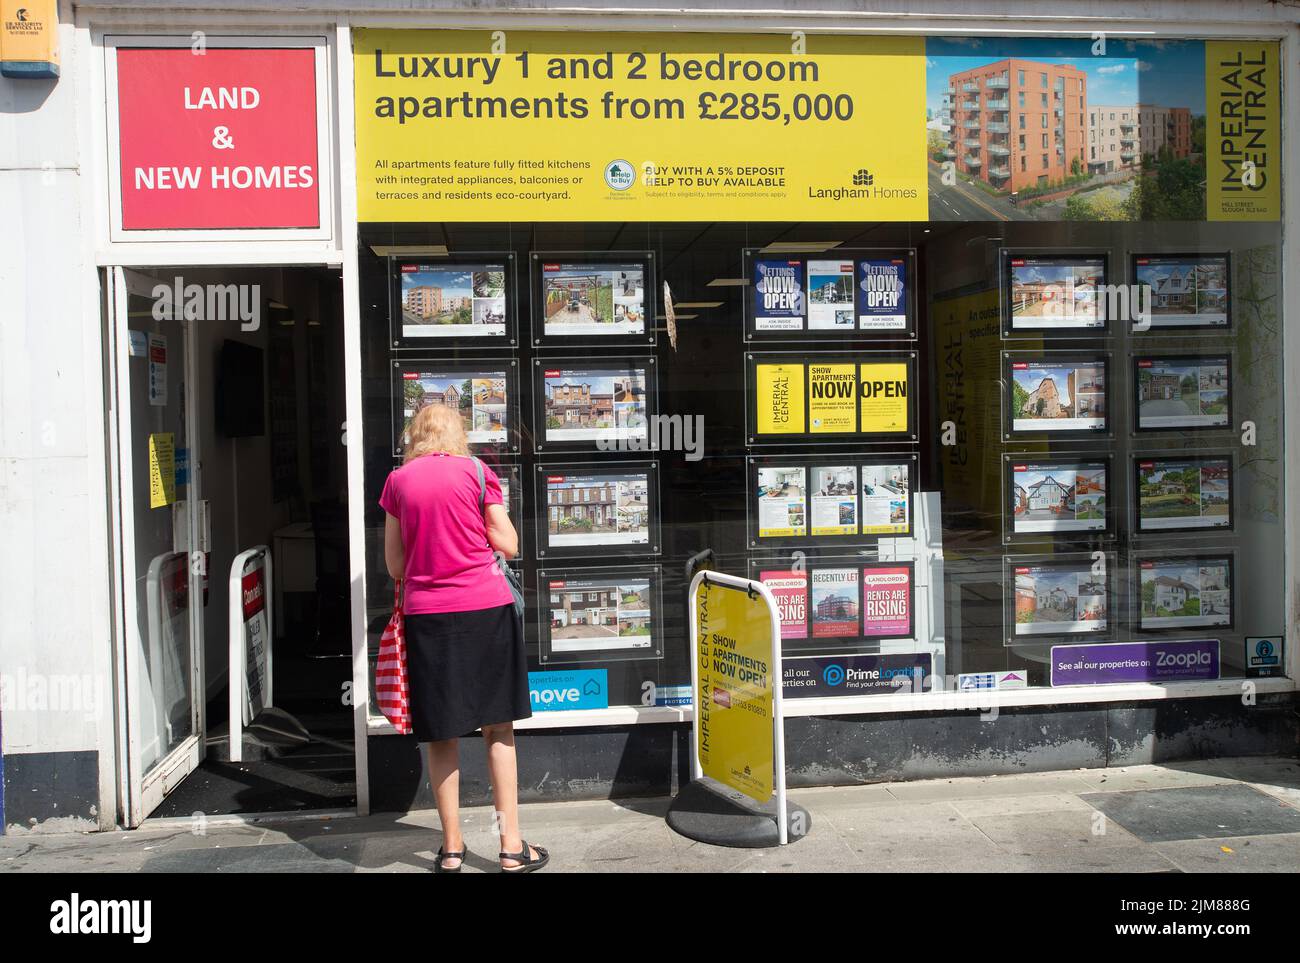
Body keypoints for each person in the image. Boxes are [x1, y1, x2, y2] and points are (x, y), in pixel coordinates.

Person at [381, 403, 548, 874]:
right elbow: (509, 543)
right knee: (498, 728)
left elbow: (395, 566)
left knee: (441, 735)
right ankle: (510, 845)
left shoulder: (398, 482)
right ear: (458, 434)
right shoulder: (477, 472)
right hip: (486, 609)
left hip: (427, 617)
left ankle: (452, 848)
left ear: (414, 435)